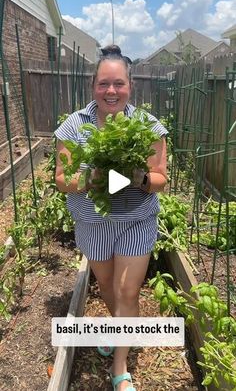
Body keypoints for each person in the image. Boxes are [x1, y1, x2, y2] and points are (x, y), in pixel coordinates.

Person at [54, 45, 168, 391]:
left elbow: (160, 177)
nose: (111, 91)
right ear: (93, 87)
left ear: (130, 86)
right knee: (107, 288)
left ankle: (120, 367)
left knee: (126, 290)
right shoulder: (74, 125)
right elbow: (61, 179)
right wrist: (94, 179)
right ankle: (120, 328)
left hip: (135, 218)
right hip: (93, 221)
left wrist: (139, 178)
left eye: (118, 83)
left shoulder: (147, 126)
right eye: (104, 84)